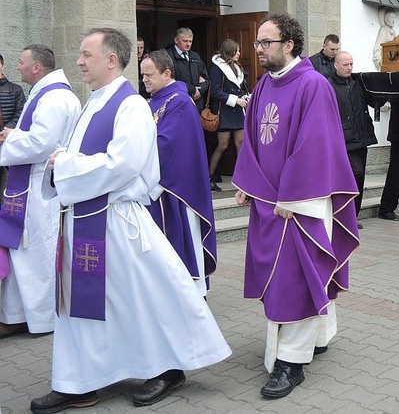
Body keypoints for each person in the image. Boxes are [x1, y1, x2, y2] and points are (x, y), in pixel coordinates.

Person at [31, 28, 230, 413]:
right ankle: (79, 380)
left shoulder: (131, 105)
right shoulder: (93, 102)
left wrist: (66, 164)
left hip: (117, 223)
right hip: (85, 220)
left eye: (86, 54)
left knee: (148, 296)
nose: (78, 61)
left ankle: (171, 365)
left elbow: (124, 165)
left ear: (110, 59)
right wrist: (63, 162)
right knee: (88, 304)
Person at [232, 14, 359, 399]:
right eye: (257, 43)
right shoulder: (264, 86)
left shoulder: (313, 85)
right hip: (268, 201)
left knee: (296, 277)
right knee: (286, 274)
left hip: (298, 203)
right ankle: (319, 334)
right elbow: (253, 138)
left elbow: (315, 144)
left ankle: (291, 362)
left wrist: (294, 197)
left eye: (265, 43)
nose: (258, 50)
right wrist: (247, 183)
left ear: (288, 44)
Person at [0, 45, 80, 339]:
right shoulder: (46, 93)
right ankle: (16, 315)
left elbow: (42, 144)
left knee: (36, 256)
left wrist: (8, 139)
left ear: (37, 67)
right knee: (22, 253)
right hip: (30, 187)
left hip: (39, 188)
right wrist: (15, 136)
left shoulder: (56, 97)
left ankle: (39, 318)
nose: (17, 67)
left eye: (22, 62)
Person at [142, 50, 218, 297]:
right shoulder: (153, 100)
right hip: (157, 184)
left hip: (175, 189)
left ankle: (191, 292)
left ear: (166, 73)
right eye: (142, 75)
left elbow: (167, 145)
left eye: (149, 75)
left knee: (181, 238)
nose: (144, 80)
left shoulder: (180, 102)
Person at [328, 51, 378, 222]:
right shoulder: (329, 86)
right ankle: (344, 215)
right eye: (345, 64)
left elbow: (374, 101)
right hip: (342, 140)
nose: (349, 68)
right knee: (354, 173)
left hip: (361, 137)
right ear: (336, 65)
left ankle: (353, 216)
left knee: (360, 176)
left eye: (351, 64)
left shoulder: (358, 83)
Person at [207, 39, 248, 192]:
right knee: (222, 145)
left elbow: (240, 88)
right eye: (236, 50)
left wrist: (243, 98)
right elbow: (215, 91)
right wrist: (234, 100)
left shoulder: (237, 67)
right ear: (229, 51)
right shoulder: (217, 67)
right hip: (224, 111)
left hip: (237, 111)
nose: (239, 53)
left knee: (241, 143)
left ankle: (242, 180)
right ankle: (209, 177)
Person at [165, 27, 210, 110]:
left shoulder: (195, 56)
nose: (188, 44)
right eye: (185, 41)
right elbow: (170, 81)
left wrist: (199, 91)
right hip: (178, 104)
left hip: (197, 104)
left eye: (190, 41)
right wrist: (192, 90)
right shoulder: (168, 57)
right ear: (176, 40)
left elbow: (206, 78)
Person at [0, 53, 26, 190]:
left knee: (8, 184)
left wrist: (4, 133)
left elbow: (20, 114)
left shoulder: (15, 90)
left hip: (7, 141)